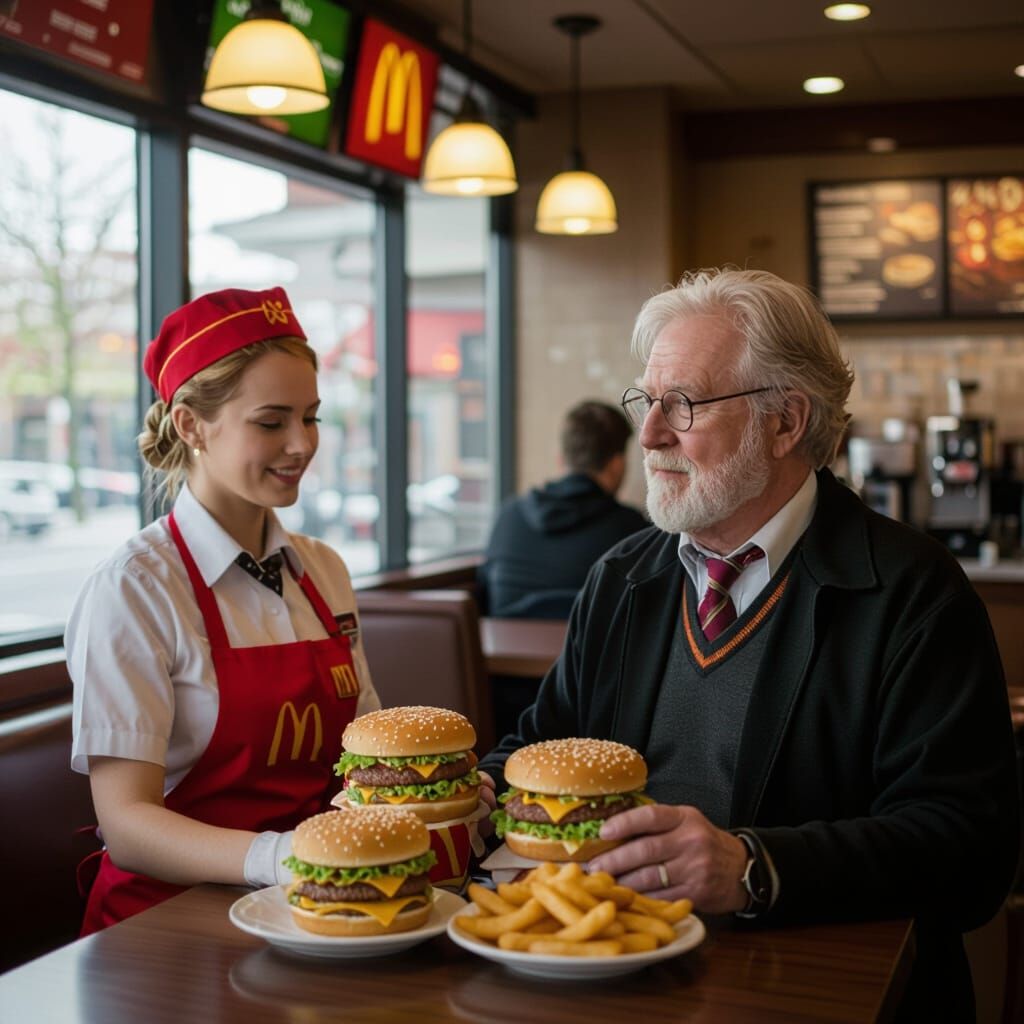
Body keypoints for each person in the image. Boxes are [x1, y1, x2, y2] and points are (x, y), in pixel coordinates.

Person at [477, 268, 1020, 1019]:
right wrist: (474, 796)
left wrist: (752, 867)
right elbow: (543, 744)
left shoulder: (913, 592)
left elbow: (970, 852)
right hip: (614, 983)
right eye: (646, 400)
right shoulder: (622, 578)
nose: (649, 434)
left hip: (819, 994)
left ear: (786, 422)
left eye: (683, 403)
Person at [67, 286, 380, 933]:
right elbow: (127, 824)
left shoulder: (324, 569)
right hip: (161, 926)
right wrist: (286, 857)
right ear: (190, 425)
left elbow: (365, 753)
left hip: (314, 910)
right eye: (271, 422)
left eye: (312, 418)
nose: (301, 444)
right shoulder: (135, 587)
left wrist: (434, 796)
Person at [479, 400, 647, 619]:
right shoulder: (631, 528)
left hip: (500, 641)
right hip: (586, 642)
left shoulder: (509, 514)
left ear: (561, 459)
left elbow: (484, 587)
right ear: (617, 464)